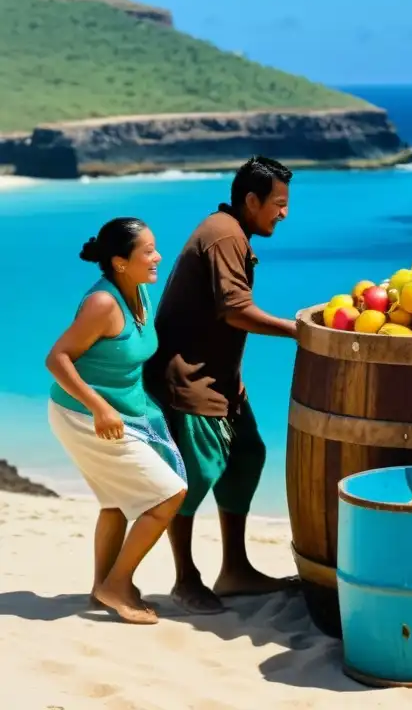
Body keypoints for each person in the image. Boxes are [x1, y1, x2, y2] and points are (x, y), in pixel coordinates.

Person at [143, 155, 298, 614]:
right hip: (190, 380)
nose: (284, 213)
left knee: (247, 456)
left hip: (221, 382)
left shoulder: (230, 231)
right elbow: (235, 310)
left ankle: (235, 569)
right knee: (194, 477)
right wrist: (297, 331)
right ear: (251, 200)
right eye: (279, 203)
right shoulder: (224, 236)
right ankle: (185, 579)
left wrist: (234, 377)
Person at [46, 218, 188, 625]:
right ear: (120, 263)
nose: (158, 257)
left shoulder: (139, 289)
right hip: (84, 415)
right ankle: (118, 585)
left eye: (155, 247)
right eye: (148, 251)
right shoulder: (103, 304)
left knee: (115, 503)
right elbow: (57, 358)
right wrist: (99, 407)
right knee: (169, 495)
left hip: (123, 409)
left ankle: (101, 587)